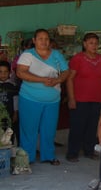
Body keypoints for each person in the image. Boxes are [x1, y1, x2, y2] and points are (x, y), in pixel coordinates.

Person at [16, 28, 69, 165]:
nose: (44, 41)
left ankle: (48, 156)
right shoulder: (28, 55)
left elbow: (65, 71)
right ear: (34, 40)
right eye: (40, 38)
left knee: (49, 130)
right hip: (29, 98)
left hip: (53, 100)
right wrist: (42, 80)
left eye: (46, 39)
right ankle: (27, 158)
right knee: (29, 130)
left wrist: (57, 80)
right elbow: (20, 73)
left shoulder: (56, 54)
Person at [66, 32, 101, 162]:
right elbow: (69, 79)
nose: (94, 46)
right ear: (84, 44)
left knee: (92, 126)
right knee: (77, 126)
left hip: (96, 98)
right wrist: (71, 98)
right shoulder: (77, 59)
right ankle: (72, 153)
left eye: (96, 43)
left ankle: (89, 151)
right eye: (91, 43)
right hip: (80, 99)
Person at [0, 61, 19, 144]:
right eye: (0, 72)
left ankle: (9, 154)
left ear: (10, 72)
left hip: (10, 116)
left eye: (5, 72)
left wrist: (15, 113)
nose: (3, 74)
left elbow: (16, 100)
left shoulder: (13, 86)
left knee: (9, 135)